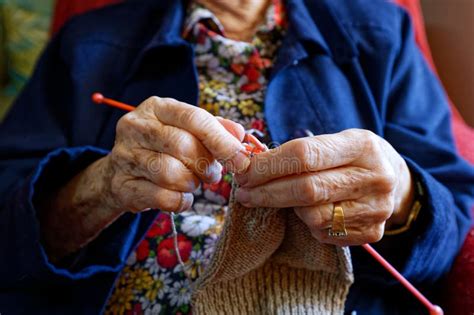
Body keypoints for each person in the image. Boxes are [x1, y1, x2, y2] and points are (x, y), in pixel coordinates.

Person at [0, 0, 473, 314]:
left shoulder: (379, 32)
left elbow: (457, 215)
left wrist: (402, 194)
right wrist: (101, 187)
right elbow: (8, 233)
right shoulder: (88, 43)